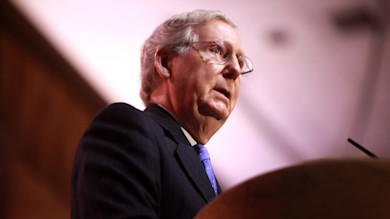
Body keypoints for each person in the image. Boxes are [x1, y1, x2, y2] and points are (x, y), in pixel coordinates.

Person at [71, 9, 253, 219]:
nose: (235, 70)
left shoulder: (220, 192)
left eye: (240, 62)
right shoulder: (127, 129)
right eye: (216, 50)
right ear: (166, 63)